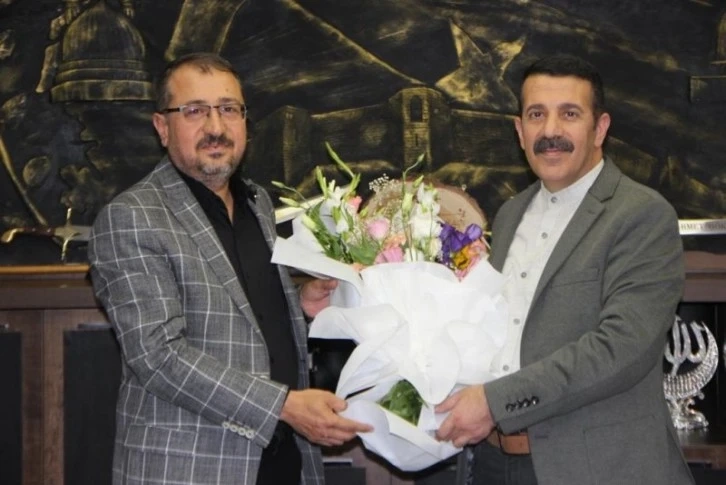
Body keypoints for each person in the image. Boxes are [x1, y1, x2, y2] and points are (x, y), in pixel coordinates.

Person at [88, 52, 371, 485]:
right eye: (195, 111)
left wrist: (301, 307)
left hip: (282, 462)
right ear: (162, 127)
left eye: (228, 109)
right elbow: (158, 356)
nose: (216, 127)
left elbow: (240, 320)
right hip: (189, 469)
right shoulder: (131, 216)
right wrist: (283, 406)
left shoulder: (257, 202)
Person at [436, 54, 694, 485]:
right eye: (536, 114)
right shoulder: (511, 213)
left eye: (569, 114)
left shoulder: (642, 214)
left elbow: (622, 349)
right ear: (519, 131)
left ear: (600, 128)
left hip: (594, 470)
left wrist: (495, 401)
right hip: (492, 462)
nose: (550, 131)